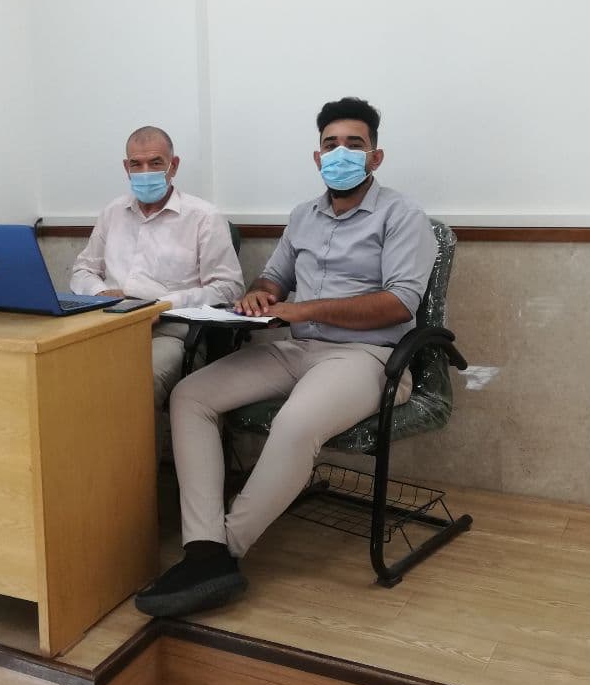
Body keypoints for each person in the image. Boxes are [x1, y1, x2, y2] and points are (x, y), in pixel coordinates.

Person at [134, 98, 434, 617]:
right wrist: (260, 295)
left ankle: (223, 553)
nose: (341, 153)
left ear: (376, 156)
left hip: (367, 357)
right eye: (330, 144)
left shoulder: (403, 215)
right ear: (317, 157)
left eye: (355, 144)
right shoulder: (303, 217)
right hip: (297, 348)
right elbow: (273, 278)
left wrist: (304, 309)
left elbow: (399, 302)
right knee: (190, 395)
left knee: (294, 423)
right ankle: (203, 544)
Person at [71, 126, 243, 451]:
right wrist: (99, 293)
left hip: (170, 332)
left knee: (135, 382)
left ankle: (131, 476)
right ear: (126, 168)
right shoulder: (113, 213)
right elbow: (83, 269)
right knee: (60, 375)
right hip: (106, 326)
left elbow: (229, 288)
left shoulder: (204, 217)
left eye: (155, 162)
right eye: (136, 164)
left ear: (173, 166)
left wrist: (162, 305)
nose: (145, 171)